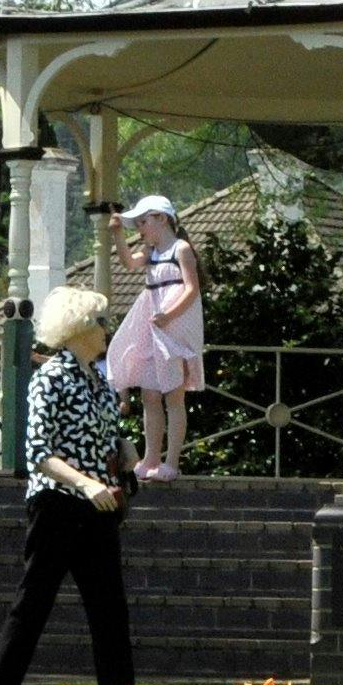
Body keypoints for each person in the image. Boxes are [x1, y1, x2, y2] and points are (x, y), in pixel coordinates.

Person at [0, 284, 135, 685]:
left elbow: (106, 433)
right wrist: (86, 484)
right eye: (101, 322)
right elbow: (39, 454)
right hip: (58, 505)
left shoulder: (98, 378)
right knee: (34, 601)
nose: (108, 330)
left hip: (100, 507)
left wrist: (123, 447)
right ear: (78, 328)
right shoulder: (50, 378)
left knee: (110, 609)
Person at [104, 195, 207, 479]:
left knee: (174, 395)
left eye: (143, 222)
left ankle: (171, 462)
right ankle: (150, 459)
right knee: (150, 394)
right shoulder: (151, 252)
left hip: (172, 329)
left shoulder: (180, 249)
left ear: (162, 219)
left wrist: (168, 314)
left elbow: (191, 288)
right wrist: (117, 234)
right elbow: (127, 262)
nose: (140, 228)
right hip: (154, 326)